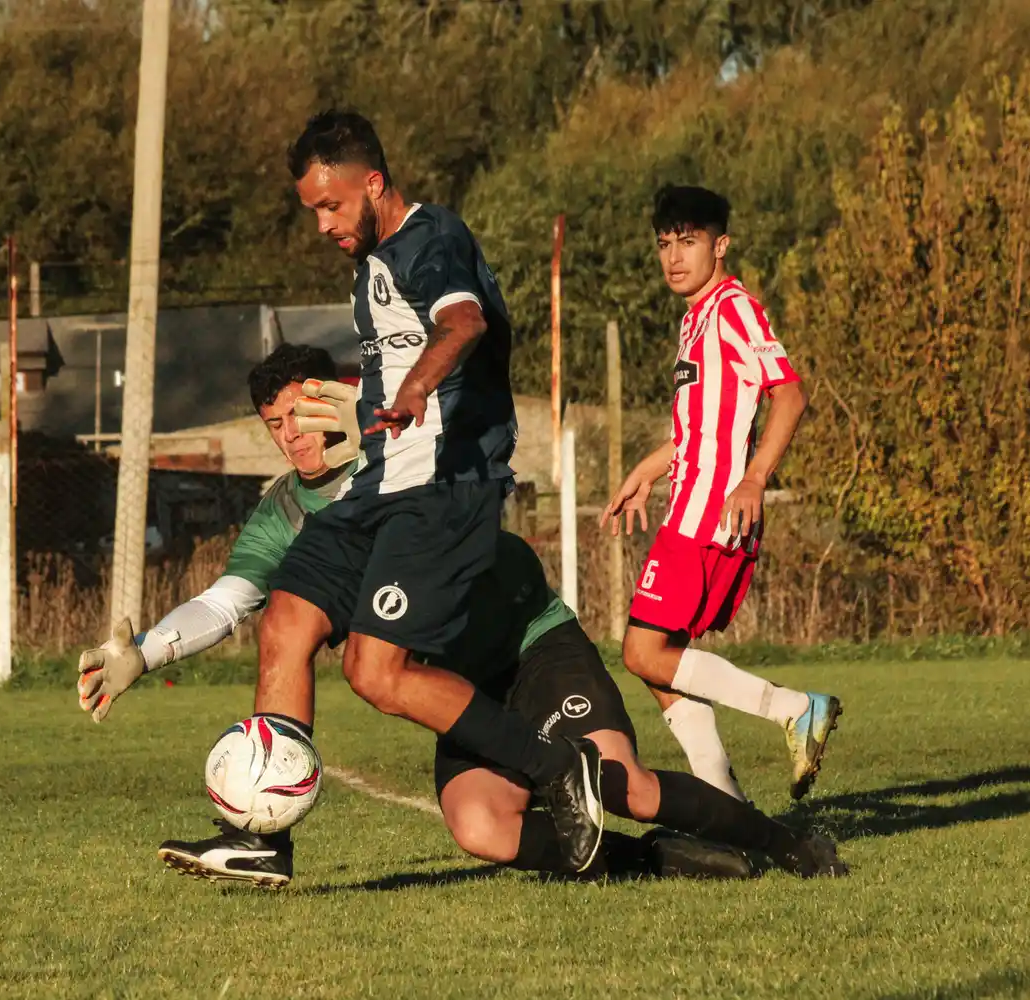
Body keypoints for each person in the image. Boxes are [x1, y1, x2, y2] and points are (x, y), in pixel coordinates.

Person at [78, 345, 848, 887]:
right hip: (448, 687)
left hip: (530, 649)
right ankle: (655, 861)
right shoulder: (285, 514)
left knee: (626, 787)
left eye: (300, 413)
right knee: (481, 828)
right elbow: (229, 600)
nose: (291, 436)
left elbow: (469, 418)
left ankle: (790, 844)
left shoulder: (409, 457)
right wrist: (144, 652)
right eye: (273, 423)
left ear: (337, 399)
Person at [255, 110, 603, 870]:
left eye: (330, 205)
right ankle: (263, 838)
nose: (321, 223)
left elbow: (465, 322)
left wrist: (414, 390)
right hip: (380, 484)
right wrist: (361, 404)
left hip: (445, 490)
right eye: (311, 207)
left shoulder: (431, 237)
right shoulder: (372, 266)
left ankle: (556, 765)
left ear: (373, 184)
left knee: (374, 672)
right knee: (284, 622)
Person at [601, 184, 841, 801]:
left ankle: (794, 708)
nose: (674, 256)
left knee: (642, 650)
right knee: (659, 657)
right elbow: (704, 427)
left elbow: (788, 393)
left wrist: (756, 477)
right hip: (690, 504)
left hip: (709, 513)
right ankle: (725, 801)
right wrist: (650, 468)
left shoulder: (733, 308)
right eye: (664, 244)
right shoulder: (695, 318)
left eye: (689, 241)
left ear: (721, 243)